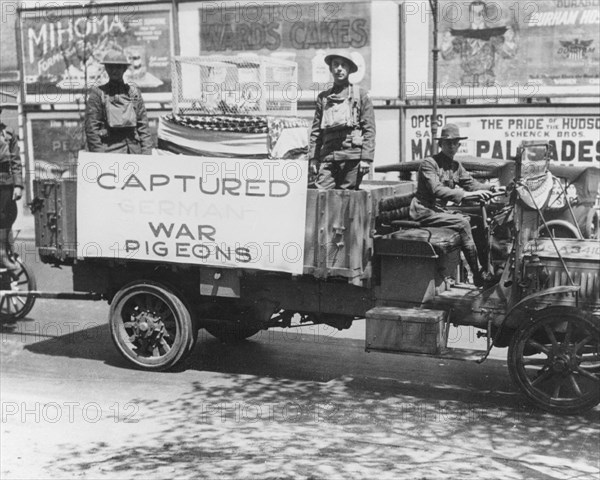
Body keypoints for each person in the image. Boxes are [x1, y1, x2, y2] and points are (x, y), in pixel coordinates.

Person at [409, 123, 494, 287]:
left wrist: (493, 188)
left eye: (455, 143)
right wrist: (466, 195)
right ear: (440, 144)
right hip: (423, 211)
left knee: (476, 220)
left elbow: (472, 184)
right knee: (463, 223)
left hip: (438, 211)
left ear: (459, 145)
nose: (452, 146)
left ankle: (486, 270)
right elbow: (437, 189)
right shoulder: (429, 163)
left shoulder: (456, 166)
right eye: (448, 143)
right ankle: (477, 276)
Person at [308, 51, 375, 190]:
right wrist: (313, 158)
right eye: (335, 64)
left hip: (352, 157)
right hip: (328, 156)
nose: (339, 68)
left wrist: (366, 159)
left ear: (349, 69)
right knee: (321, 193)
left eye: (343, 65)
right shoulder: (323, 97)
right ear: (330, 68)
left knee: (347, 197)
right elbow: (316, 131)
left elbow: (369, 129)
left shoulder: (361, 95)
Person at [85, 49, 153, 154]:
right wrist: (99, 156)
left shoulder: (134, 93)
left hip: (133, 151)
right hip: (109, 151)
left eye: (118, 66)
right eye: (110, 67)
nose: (114, 71)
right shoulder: (98, 94)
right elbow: (92, 129)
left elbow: (143, 126)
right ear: (106, 69)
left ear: (124, 68)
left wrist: (146, 153)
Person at [0, 105, 23, 281]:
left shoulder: (8, 132)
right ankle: (2, 254)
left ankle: (7, 252)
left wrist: (18, 185)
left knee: (8, 216)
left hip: (6, 181)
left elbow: (15, 160)